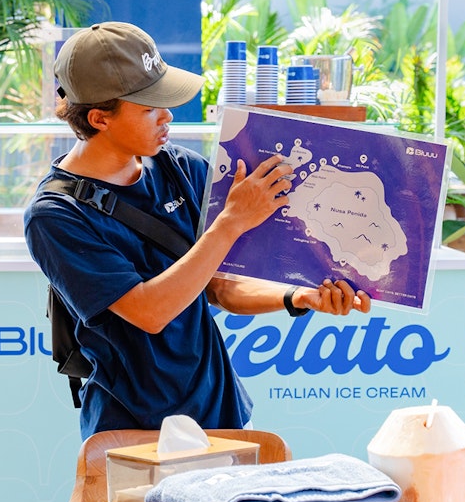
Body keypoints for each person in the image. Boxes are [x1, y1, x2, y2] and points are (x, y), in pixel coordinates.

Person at [24, 22, 372, 438]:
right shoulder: (55, 215)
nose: (168, 116)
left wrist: (300, 296)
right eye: (149, 107)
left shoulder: (183, 169)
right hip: (131, 430)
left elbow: (221, 289)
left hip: (221, 411)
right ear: (100, 117)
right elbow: (149, 312)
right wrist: (230, 222)